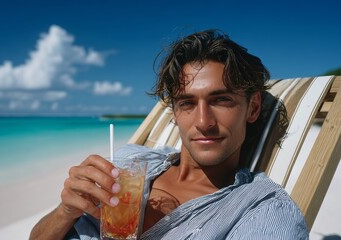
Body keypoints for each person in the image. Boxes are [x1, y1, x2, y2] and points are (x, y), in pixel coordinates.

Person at [29, 29, 309, 239]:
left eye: (221, 100)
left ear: (253, 107)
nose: (203, 122)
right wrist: (65, 212)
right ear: (174, 113)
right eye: (187, 103)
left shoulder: (263, 210)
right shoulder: (130, 162)